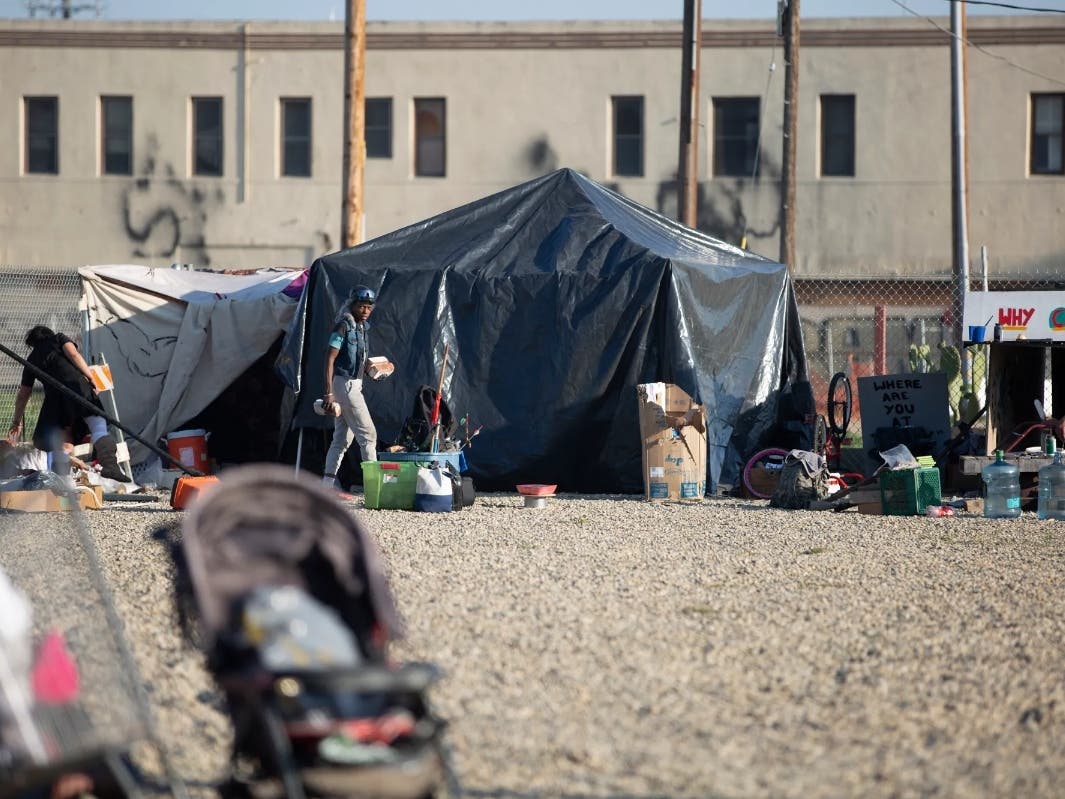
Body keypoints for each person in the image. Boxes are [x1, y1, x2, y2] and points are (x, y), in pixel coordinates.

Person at [7, 325, 129, 482]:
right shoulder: (58, 338)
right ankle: (110, 466)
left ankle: (60, 481)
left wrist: (17, 421)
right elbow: (73, 354)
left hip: (55, 400)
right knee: (97, 424)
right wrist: (91, 378)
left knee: (60, 441)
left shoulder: (31, 359)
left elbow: (23, 394)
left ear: (33, 343)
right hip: (78, 388)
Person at [322, 286, 380, 491]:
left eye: (369, 307)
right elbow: (330, 359)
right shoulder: (343, 326)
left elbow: (357, 360)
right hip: (345, 386)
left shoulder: (363, 328)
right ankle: (374, 489)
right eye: (361, 306)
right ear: (352, 305)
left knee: (341, 439)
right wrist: (328, 393)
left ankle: (326, 486)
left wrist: (373, 368)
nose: (365, 311)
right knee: (368, 436)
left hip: (353, 384)